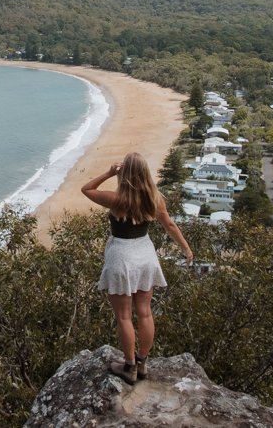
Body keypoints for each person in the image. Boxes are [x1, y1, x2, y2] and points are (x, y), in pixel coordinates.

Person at [81, 152, 193, 384]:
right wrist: (186, 248)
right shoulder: (155, 199)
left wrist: (110, 173)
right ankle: (142, 362)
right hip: (145, 256)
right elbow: (169, 225)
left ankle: (129, 366)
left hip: (121, 257)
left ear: (125, 173)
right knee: (144, 312)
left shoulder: (117, 200)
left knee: (124, 316)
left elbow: (87, 189)